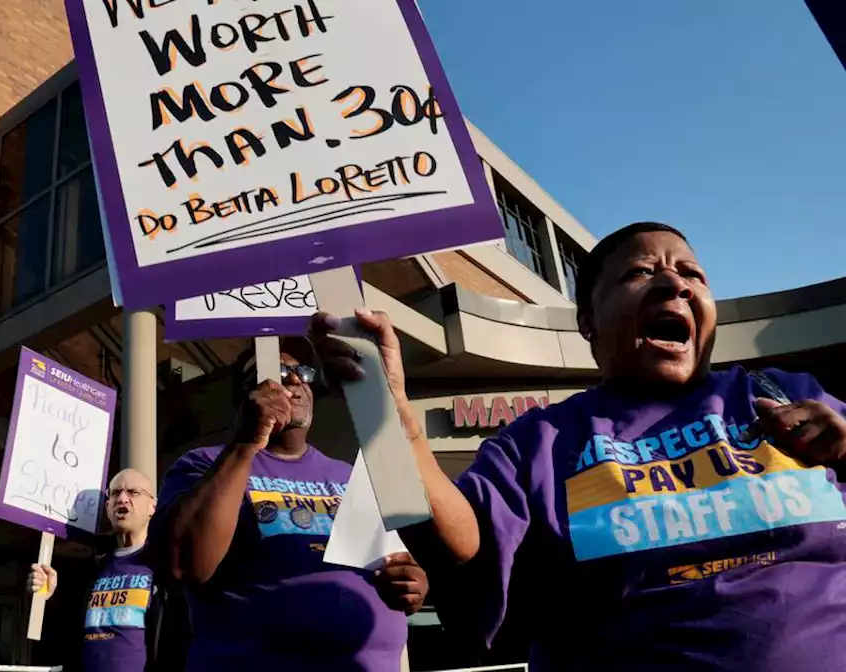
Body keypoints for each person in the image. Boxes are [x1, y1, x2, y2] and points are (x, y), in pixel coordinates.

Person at [310, 221, 846, 671]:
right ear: (586, 321)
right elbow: (455, 544)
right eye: (640, 272)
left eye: (691, 274)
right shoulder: (540, 442)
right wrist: (387, 411)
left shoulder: (785, 394)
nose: (674, 284)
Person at [152, 339, 428, 670]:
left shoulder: (348, 474)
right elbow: (184, 564)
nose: (295, 381)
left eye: (303, 372)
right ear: (245, 395)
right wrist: (247, 442)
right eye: (279, 371)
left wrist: (412, 582)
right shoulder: (204, 466)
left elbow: (396, 563)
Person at [29, 468, 178, 672]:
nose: (122, 498)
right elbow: (68, 631)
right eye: (115, 493)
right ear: (108, 507)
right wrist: (50, 595)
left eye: (133, 492)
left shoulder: (167, 564)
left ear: (153, 506)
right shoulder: (89, 567)